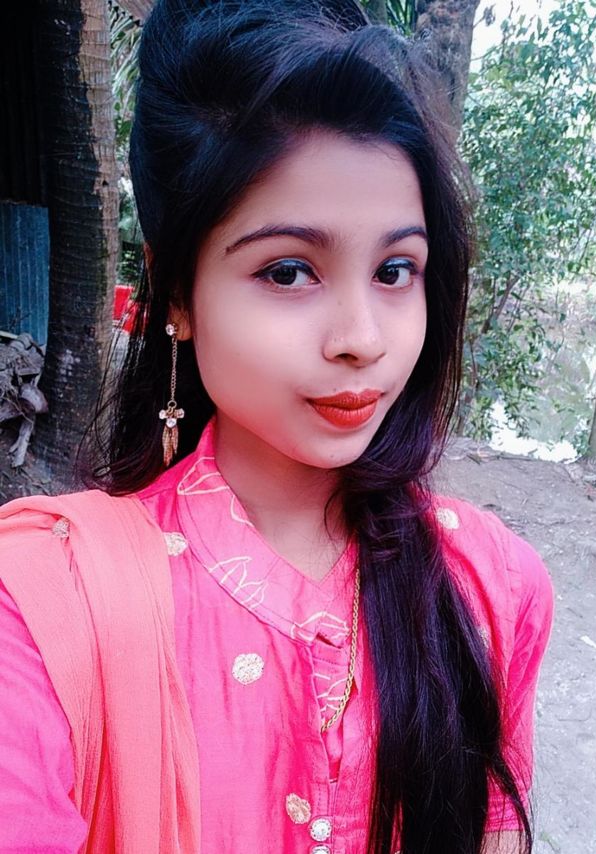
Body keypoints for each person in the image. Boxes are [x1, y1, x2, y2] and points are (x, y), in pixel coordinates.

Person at [0, 1, 554, 852]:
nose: (362, 339)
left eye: (395, 270)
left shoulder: (494, 586)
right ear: (177, 292)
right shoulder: (42, 603)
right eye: (290, 271)